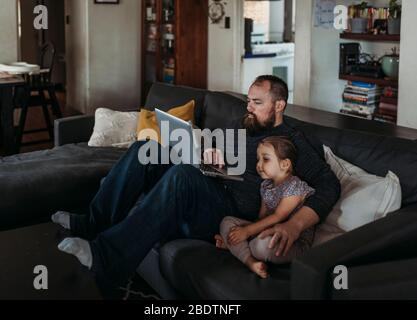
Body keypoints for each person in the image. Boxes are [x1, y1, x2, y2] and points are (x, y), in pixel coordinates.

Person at [52, 75, 341, 291]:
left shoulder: (295, 141)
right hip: (211, 183)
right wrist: (210, 155)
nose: (248, 107)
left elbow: (329, 186)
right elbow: (221, 154)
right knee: (145, 149)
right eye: (248, 100)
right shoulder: (244, 125)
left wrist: (293, 225)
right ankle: (93, 222)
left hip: (230, 212)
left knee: (183, 176)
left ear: (279, 105)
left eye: (257, 102)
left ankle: (106, 260)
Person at [216, 136, 315, 279]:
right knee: (227, 222)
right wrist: (243, 232)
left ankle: (236, 248)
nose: (259, 164)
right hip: (269, 230)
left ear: (285, 164)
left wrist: (247, 231)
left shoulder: (295, 186)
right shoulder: (266, 185)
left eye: (266, 159)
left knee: (261, 246)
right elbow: (262, 217)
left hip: (293, 242)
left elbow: (278, 216)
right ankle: (251, 262)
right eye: (258, 159)